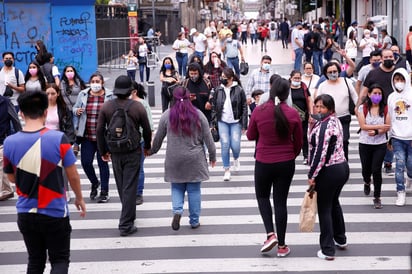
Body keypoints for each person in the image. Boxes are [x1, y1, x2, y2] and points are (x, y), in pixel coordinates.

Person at [3, 91, 86, 273]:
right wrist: (79, 198)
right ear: (46, 112)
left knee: (35, 260)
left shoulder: (9, 142)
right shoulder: (59, 139)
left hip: (26, 212)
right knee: (60, 260)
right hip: (55, 211)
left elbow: (10, 177)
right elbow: (72, 175)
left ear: (21, 113)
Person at [247, 78, 303, 257]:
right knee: (281, 202)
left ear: (270, 90)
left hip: (263, 161)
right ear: (287, 94)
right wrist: (290, 156)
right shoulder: (293, 114)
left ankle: (270, 234)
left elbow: (250, 135)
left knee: (263, 197)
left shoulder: (259, 111)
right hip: (286, 162)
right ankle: (282, 246)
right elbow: (299, 143)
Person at [149, 86, 216, 230]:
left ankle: (178, 211)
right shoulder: (198, 114)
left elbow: (158, 139)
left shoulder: (167, 115)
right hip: (194, 159)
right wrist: (212, 155)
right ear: (189, 98)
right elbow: (208, 138)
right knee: (194, 190)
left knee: (177, 188)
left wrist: (151, 151)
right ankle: (194, 220)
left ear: (173, 98)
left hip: (174, 159)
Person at [96, 75, 151, 236]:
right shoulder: (137, 107)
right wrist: (147, 147)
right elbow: (146, 130)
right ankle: (126, 224)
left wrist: (103, 151)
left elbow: (99, 130)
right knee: (129, 186)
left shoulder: (106, 107)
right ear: (130, 91)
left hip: (115, 151)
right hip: (132, 150)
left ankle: (129, 216)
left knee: (122, 185)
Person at [308, 94, 349, 261]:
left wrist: (312, 175)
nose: (318, 109)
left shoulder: (325, 126)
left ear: (330, 109)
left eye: (322, 107)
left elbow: (320, 154)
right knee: (334, 203)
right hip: (341, 168)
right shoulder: (333, 121)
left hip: (329, 170)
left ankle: (327, 249)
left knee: (324, 208)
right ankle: (340, 239)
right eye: (316, 106)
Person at [73, 72, 113, 203]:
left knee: (103, 164)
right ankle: (95, 182)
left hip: (103, 137)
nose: (95, 84)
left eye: (98, 81)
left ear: (102, 83)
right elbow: (75, 108)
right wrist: (76, 111)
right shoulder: (83, 94)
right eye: (93, 81)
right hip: (87, 135)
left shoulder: (110, 95)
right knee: (86, 162)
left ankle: (104, 192)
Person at [358, 49, 397, 174]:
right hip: (378, 108)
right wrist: (358, 105)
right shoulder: (373, 73)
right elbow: (364, 91)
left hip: (397, 109)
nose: (388, 59)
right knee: (382, 133)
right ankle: (380, 163)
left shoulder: (398, 73)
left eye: (391, 56)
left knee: (391, 135)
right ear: (381, 58)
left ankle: (388, 162)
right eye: (386, 57)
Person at [357, 84, 390, 209]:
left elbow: (388, 126)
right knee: (366, 170)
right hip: (365, 144)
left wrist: (377, 132)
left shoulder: (386, 108)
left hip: (380, 144)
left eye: (379, 94)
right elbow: (363, 126)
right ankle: (366, 181)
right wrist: (380, 128)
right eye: (375, 93)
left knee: (376, 170)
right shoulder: (362, 108)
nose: (377, 96)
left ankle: (377, 197)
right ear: (369, 94)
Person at [211, 67, 247, 181]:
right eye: (221, 77)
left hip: (236, 121)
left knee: (235, 145)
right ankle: (226, 169)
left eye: (225, 78)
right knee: (225, 144)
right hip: (222, 121)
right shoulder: (218, 90)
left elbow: (244, 107)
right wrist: (214, 123)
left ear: (231, 78)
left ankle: (236, 158)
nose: (222, 79)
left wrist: (244, 124)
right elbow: (214, 107)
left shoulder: (239, 90)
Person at [317, 62, 358, 161]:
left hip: (344, 117)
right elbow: (317, 103)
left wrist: (359, 111)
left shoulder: (346, 82)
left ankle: (344, 162)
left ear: (339, 71)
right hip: (328, 119)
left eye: (334, 71)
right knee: (330, 141)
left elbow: (355, 97)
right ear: (325, 74)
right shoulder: (322, 86)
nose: (333, 73)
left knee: (344, 141)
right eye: (330, 72)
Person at [45, 84, 76, 201]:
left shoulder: (63, 109)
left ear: (58, 94)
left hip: (59, 141)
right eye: (47, 94)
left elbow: (69, 127)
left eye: (53, 93)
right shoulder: (40, 108)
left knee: (62, 168)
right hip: (44, 141)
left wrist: (68, 142)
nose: (50, 96)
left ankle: (64, 191)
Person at [387, 68, 412, 206]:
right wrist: (389, 137)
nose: (399, 83)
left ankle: (410, 177)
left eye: (401, 79)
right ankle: (400, 192)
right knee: (400, 164)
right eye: (397, 80)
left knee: (410, 165)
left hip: (411, 137)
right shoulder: (391, 97)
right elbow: (390, 117)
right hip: (397, 137)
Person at [130, 81, 154, 205]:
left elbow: (149, 126)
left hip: (140, 141)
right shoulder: (120, 103)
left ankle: (138, 193)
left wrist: (149, 144)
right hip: (124, 142)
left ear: (134, 91)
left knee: (139, 168)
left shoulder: (143, 104)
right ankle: (129, 191)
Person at [60, 65, 87, 156]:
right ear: (64, 73)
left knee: (76, 127)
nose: (69, 72)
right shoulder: (62, 84)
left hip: (77, 110)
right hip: (66, 110)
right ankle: (70, 144)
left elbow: (85, 95)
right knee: (68, 128)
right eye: (67, 71)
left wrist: (82, 107)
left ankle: (76, 144)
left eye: (71, 70)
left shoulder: (79, 83)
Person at [0, 94, 21, 201]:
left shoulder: (5, 102)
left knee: (1, 166)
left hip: (2, 139)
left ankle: (7, 190)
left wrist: (20, 137)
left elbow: (15, 120)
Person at [289, 70, 313, 164]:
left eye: (299, 78)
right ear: (291, 78)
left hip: (303, 117)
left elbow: (309, 100)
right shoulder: (287, 88)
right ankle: (290, 154)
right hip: (290, 118)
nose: (297, 80)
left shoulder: (303, 87)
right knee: (290, 136)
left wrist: (311, 114)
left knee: (303, 135)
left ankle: (306, 155)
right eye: (295, 78)